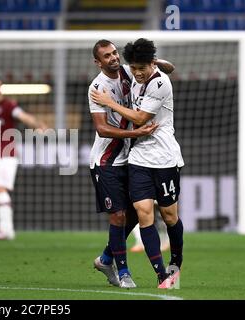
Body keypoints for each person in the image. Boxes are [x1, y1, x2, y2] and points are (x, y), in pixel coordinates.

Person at [91, 38, 184, 289]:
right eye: (134, 68)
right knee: (139, 215)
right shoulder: (110, 82)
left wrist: (110, 103)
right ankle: (157, 275)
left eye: (142, 67)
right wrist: (148, 65)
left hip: (164, 158)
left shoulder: (155, 81)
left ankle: (175, 264)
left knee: (168, 216)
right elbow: (102, 128)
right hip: (131, 158)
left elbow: (142, 118)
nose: (137, 73)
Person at [0, 76, 47, 240]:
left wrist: (39, 125)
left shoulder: (9, 105)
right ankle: (8, 230)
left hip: (8, 155)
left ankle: (4, 230)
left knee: (0, 188)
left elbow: (24, 117)